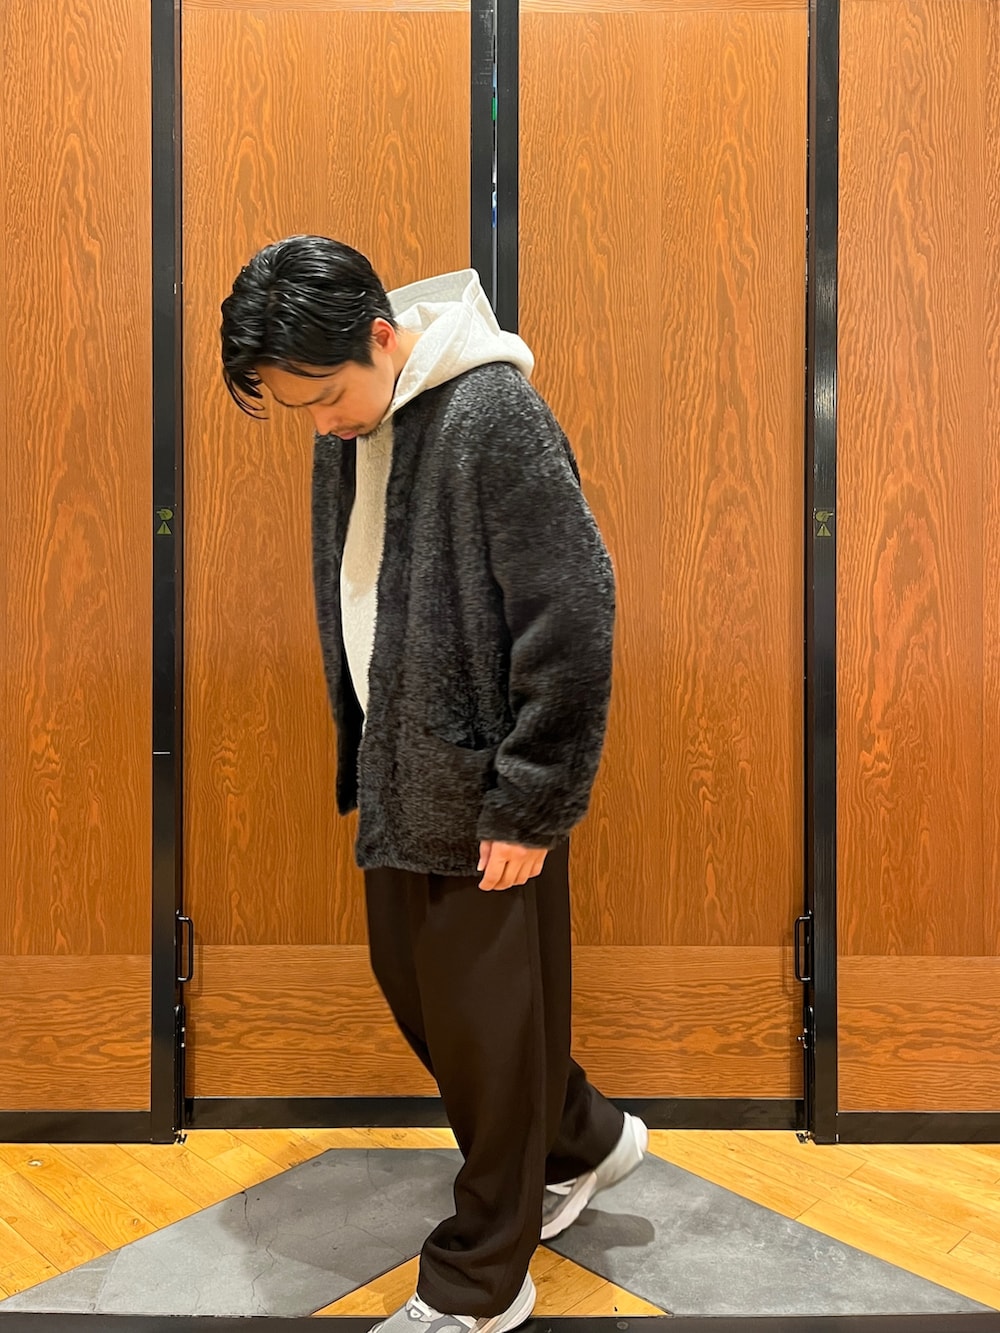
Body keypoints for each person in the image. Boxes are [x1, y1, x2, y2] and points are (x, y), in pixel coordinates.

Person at [220, 236, 648, 1333]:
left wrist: (532, 798)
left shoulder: (490, 414)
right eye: (299, 408)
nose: (322, 422)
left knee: (482, 1038)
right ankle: (585, 1136)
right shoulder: (357, 423)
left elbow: (575, 610)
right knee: (431, 997)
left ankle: (478, 1282)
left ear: (381, 336)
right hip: (401, 768)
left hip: (487, 787)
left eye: (326, 395)